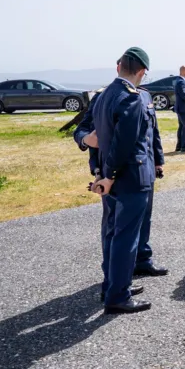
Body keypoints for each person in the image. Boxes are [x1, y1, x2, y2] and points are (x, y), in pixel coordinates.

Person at [89, 47, 163, 314]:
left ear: (119, 66)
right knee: (125, 237)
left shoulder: (104, 95)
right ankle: (118, 295)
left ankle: (113, 285)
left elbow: (100, 141)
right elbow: (124, 144)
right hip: (129, 176)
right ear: (142, 71)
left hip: (113, 177)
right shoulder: (131, 98)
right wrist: (109, 175)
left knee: (112, 233)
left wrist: (102, 173)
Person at [76, 79, 168, 283]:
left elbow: (153, 132)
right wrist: (85, 140)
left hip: (144, 167)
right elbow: (82, 129)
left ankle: (141, 260)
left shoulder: (144, 95)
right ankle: (113, 276)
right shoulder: (105, 97)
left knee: (144, 216)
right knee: (114, 225)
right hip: (113, 171)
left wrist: (158, 161)